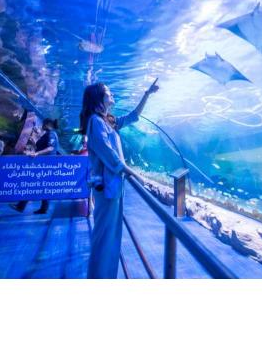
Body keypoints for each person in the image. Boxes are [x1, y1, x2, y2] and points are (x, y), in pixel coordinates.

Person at [81, 79, 159, 279]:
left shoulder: (108, 120)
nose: (111, 94)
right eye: (108, 92)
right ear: (99, 98)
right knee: (104, 238)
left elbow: (133, 116)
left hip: (113, 189)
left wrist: (147, 94)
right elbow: (110, 156)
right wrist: (136, 174)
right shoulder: (95, 122)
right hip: (106, 190)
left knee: (111, 238)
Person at [10, 118, 63, 215]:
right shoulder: (49, 134)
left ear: (48, 124)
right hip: (43, 165)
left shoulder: (51, 134)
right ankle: (42, 208)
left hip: (45, 165)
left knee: (33, 183)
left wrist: (36, 153)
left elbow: (50, 148)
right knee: (41, 186)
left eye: (43, 123)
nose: (42, 125)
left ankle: (22, 206)